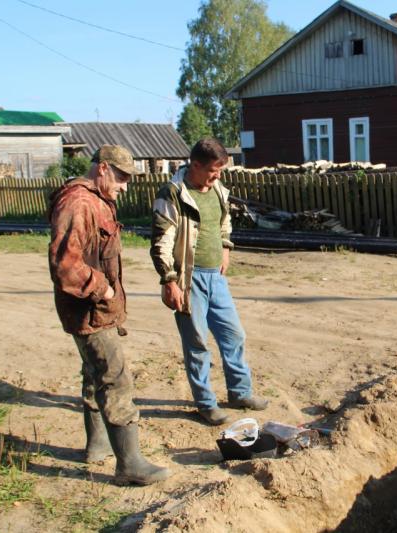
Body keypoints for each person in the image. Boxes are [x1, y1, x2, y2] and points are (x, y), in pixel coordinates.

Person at [48, 144, 171, 485]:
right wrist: (102, 289)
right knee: (115, 380)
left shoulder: (96, 199)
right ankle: (129, 464)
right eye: (121, 177)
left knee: (94, 374)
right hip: (90, 309)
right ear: (102, 169)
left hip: (95, 310)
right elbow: (65, 265)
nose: (125, 186)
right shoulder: (79, 203)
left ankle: (97, 446)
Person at [150, 137, 267, 426]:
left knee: (234, 335)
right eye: (213, 170)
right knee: (197, 342)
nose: (217, 176)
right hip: (190, 280)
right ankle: (205, 403)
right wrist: (169, 280)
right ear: (195, 165)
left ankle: (240, 392)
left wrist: (225, 249)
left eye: (220, 170)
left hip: (217, 277)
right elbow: (161, 240)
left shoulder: (217, 189)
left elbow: (224, 221)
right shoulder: (174, 193)